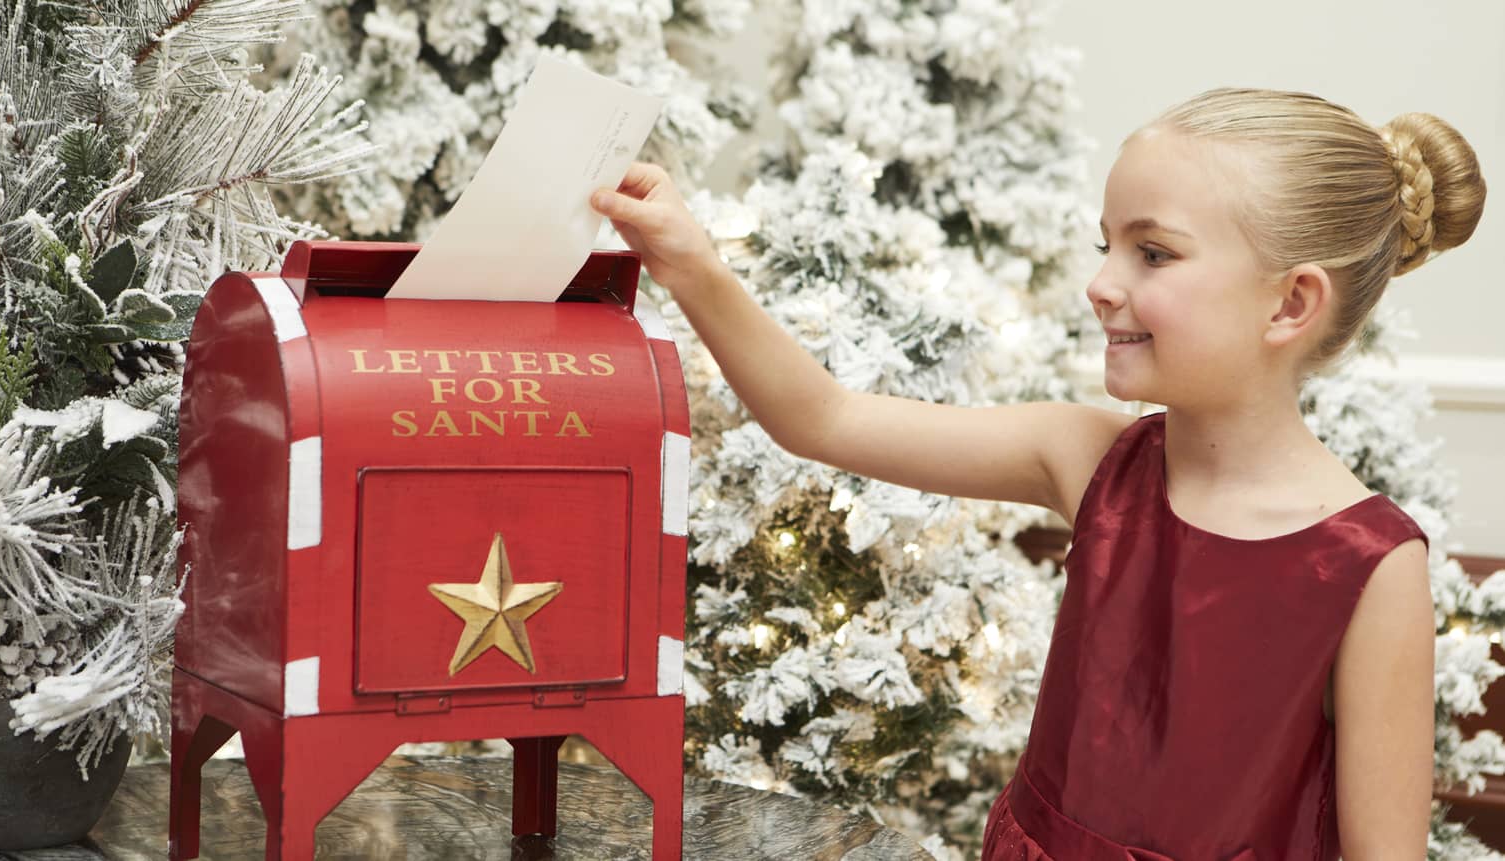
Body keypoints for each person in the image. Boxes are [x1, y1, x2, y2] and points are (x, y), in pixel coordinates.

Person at [588, 87, 1485, 859]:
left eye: (1153, 252)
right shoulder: (1091, 459)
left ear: (1291, 301)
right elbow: (823, 417)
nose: (1100, 281)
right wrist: (691, 262)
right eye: (1107, 244)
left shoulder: (1370, 566)